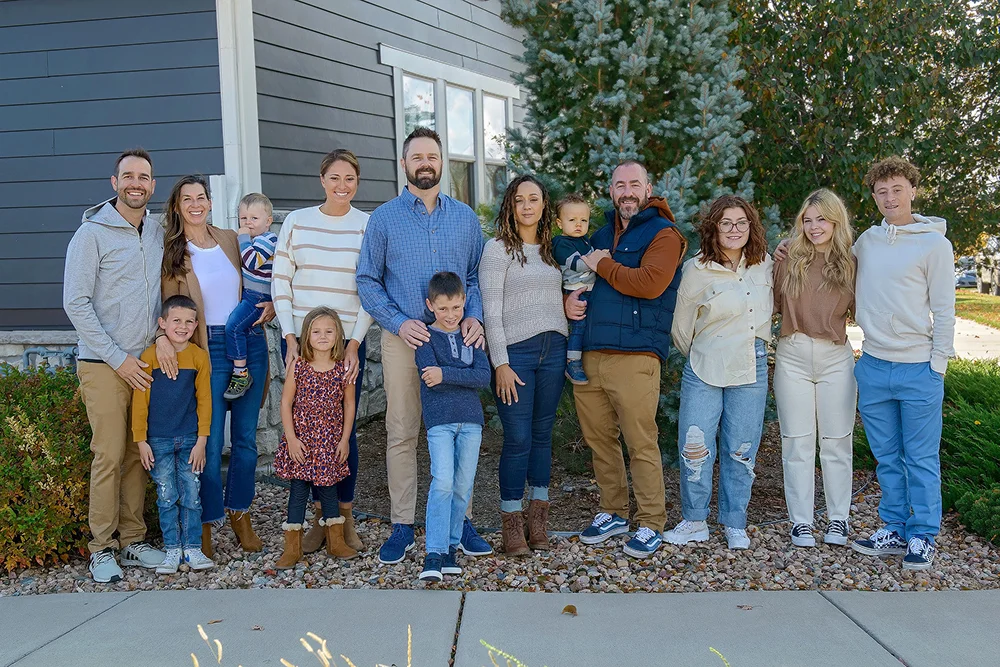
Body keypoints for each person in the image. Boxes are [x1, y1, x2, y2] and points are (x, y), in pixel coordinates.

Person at [357, 127, 492, 564]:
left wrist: (474, 316)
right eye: (417, 157)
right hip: (407, 338)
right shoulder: (384, 219)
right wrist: (397, 322)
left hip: (456, 339)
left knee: (458, 430)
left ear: (442, 162)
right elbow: (367, 280)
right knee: (401, 429)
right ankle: (402, 524)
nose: (426, 163)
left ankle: (460, 523)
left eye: (433, 156)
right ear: (404, 164)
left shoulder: (465, 218)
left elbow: (475, 275)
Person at [565, 161, 686, 559]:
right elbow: (575, 280)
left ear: (648, 188)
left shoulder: (664, 234)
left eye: (635, 184)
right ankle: (613, 511)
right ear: (612, 191)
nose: (627, 191)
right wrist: (568, 299)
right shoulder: (599, 234)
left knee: (640, 441)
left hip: (635, 356)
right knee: (600, 440)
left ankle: (652, 520)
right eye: (620, 185)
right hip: (590, 354)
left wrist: (603, 264)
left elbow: (650, 284)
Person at [63, 148, 166, 582]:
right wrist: (118, 358)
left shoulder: (156, 230)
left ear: (152, 185)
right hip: (104, 364)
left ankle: (133, 540)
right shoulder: (91, 235)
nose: (135, 183)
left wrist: (161, 336)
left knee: (133, 455)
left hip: (144, 363)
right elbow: (76, 303)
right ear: (114, 182)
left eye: (143, 176)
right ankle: (101, 548)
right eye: (128, 176)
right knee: (107, 455)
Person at [159, 175, 274, 558]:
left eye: (201, 197)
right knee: (204, 442)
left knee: (244, 441)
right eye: (187, 199)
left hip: (249, 342)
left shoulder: (230, 237)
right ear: (177, 206)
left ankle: (240, 513)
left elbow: (262, 277)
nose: (195, 204)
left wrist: (271, 305)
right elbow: (171, 310)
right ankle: (205, 523)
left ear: (210, 202)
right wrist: (165, 340)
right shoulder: (173, 252)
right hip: (206, 347)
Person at [848, 157, 955, 569]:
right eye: (881, 191)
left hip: (918, 369)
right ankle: (893, 527)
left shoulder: (934, 245)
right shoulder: (868, 241)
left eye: (897, 189)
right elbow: (833, 264)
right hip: (873, 365)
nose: (890, 198)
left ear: (912, 189)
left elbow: (945, 309)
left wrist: (937, 367)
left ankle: (923, 534)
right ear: (873, 196)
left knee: (921, 457)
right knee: (887, 457)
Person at [271, 148, 372, 555]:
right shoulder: (297, 222)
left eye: (349, 178)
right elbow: (282, 279)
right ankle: (317, 518)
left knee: (339, 425)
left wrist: (355, 342)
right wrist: (290, 335)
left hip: (345, 345)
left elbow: (371, 285)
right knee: (306, 424)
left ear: (357, 183)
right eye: (334, 177)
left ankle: (342, 518)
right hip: (302, 343)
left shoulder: (367, 225)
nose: (342, 185)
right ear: (322, 179)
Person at [666, 195, 772, 551]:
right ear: (713, 227)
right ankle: (695, 520)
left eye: (741, 222)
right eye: (725, 222)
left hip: (751, 365)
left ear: (751, 227)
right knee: (694, 446)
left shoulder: (764, 265)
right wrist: (704, 351)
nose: (734, 229)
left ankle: (734, 522)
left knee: (741, 448)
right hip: (704, 366)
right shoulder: (696, 269)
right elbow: (681, 329)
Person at [479, 174, 568, 556]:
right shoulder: (497, 250)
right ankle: (512, 525)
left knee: (542, 436)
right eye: (520, 200)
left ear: (544, 205)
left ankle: (539, 523)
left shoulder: (553, 251)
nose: (527, 206)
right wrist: (499, 362)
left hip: (555, 350)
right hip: (517, 355)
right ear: (510, 206)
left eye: (534, 199)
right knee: (517, 439)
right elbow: (491, 312)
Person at [772, 189, 857, 548]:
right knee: (797, 442)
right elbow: (770, 301)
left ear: (836, 220)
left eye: (821, 219)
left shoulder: (853, 260)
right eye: (807, 220)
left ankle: (839, 520)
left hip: (836, 356)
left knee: (837, 442)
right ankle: (801, 522)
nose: (813, 226)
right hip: (792, 353)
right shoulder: (789, 255)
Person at [415, 272, 491, 581]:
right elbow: (429, 380)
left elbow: (484, 377)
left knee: (462, 486)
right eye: (444, 308)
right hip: (440, 423)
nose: (451, 315)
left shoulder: (472, 334)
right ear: (430, 305)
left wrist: (446, 374)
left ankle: (450, 547)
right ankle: (433, 552)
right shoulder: (424, 338)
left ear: (464, 304)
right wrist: (460, 373)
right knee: (443, 481)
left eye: (457, 308)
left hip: (472, 422)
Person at [132, 295, 214, 574]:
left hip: (190, 438)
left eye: (189, 321)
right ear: (162, 323)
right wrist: (141, 440)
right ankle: (171, 550)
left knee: (191, 494)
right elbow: (140, 401)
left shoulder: (199, 357)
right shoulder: (148, 357)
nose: (183, 326)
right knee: (166, 495)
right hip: (158, 440)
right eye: (176, 320)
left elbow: (204, 400)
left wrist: (203, 440)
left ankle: (192, 548)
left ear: (196, 325)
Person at [274, 307, 358, 569]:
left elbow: (350, 405)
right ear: (306, 335)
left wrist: (344, 440)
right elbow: (286, 403)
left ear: (338, 335)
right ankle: (292, 548)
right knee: (298, 492)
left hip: (329, 443)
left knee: (329, 492)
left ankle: (336, 543)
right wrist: (291, 439)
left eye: (329, 331)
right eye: (316, 331)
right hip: (302, 442)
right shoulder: (298, 367)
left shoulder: (344, 369)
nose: (323, 336)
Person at [224, 193, 278, 400]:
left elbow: (252, 262)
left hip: (257, 296)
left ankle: (240, 374)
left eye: (254, 218)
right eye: (243, 219)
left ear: (268, 221)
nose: (248, 223)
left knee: (234, 327)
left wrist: (243, 237)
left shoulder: (268, 239)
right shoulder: (256, 239)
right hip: (249, 293)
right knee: (240, 328)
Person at [551, 193, 595, 385]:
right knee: (579, 327)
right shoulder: (561, 243)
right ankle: (573, 361)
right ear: (560, 223)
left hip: (590, 289)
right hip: (575, 291)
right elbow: (578, 265)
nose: (579, 224)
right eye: (572, 220)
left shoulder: (585, 241)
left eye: (583, 220)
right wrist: (600, 260)